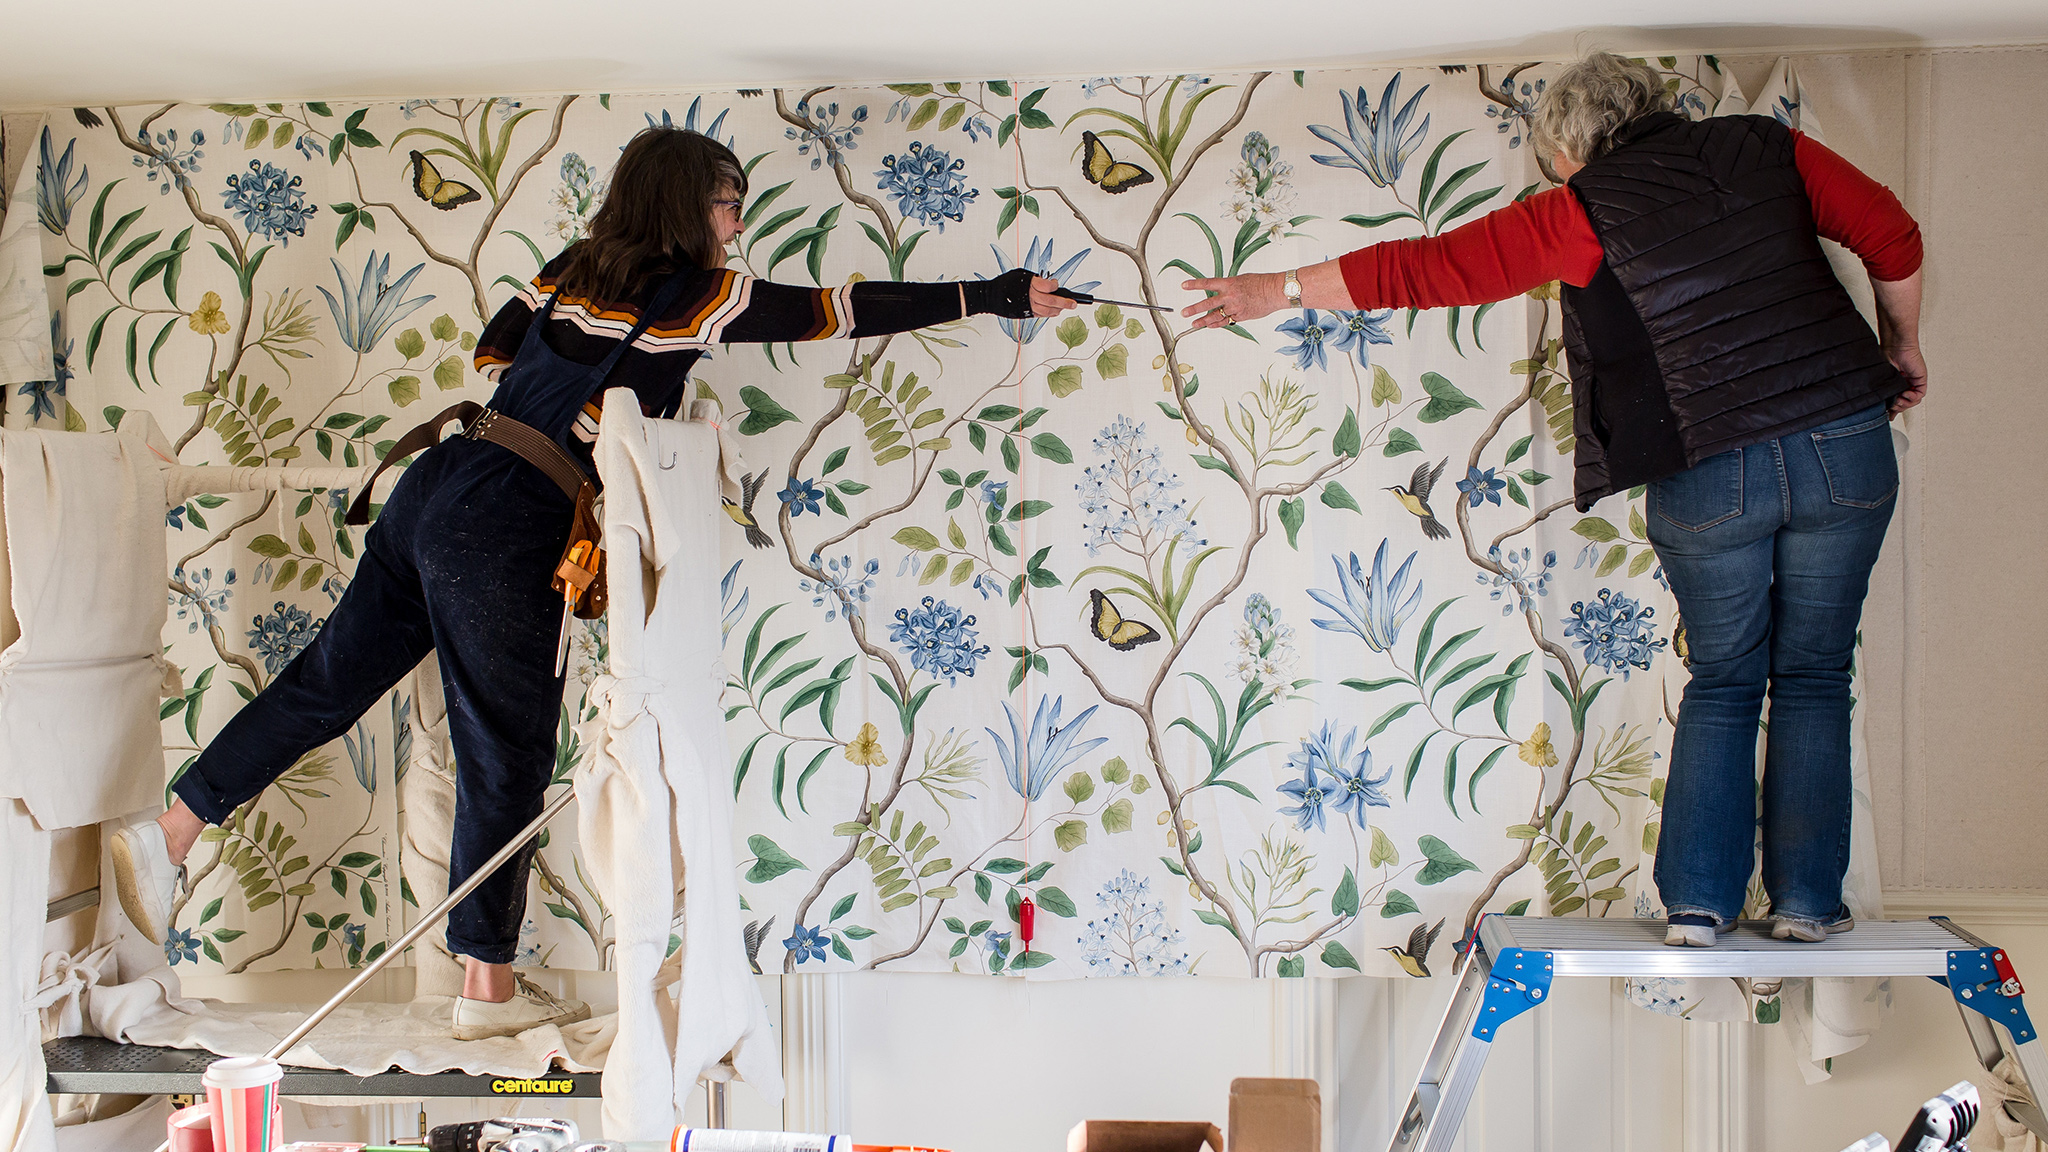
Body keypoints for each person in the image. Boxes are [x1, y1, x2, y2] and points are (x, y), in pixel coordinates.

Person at [110, 126, 1077, 1036]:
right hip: (509, 520)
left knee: (325, 683)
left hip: (439, 477)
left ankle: (173, 831)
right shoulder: (702, 295)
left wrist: (592, 394)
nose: (737, 221)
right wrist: (996, 295)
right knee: (507, 754)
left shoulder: (572, 267)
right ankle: (486, 989)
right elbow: (844, 311)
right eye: (729, 202)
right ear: (685, 206)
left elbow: (494, 351)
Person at [1181, 52, 1924, 949]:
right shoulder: (1766, 148)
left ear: (1571, 152)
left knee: (1728, 677)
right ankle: (1805, 904)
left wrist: (1277, 290)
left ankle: (1699, 907)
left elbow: (1429, 269)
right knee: (1815, 672)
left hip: (1712, 467)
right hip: (1845, 439)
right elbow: (1892, 232)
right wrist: (1902, 345)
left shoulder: (1583, 210)